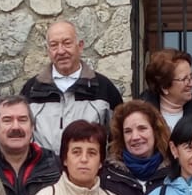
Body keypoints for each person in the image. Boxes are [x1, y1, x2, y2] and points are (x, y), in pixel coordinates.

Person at [18, 20, 123, 153]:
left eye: (67, 43)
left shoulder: (103, 88)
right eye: (54, 45)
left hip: (90, 171)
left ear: (80, 46)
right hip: (42, 172)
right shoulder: (32, 89)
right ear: (48, 51)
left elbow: (118, 138)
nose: (61, 51)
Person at [102, 99, 171, 195]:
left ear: (155, 131)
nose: (135, 137)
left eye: (142, 128)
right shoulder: (107, 177)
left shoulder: (175, 174)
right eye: (128, 131)